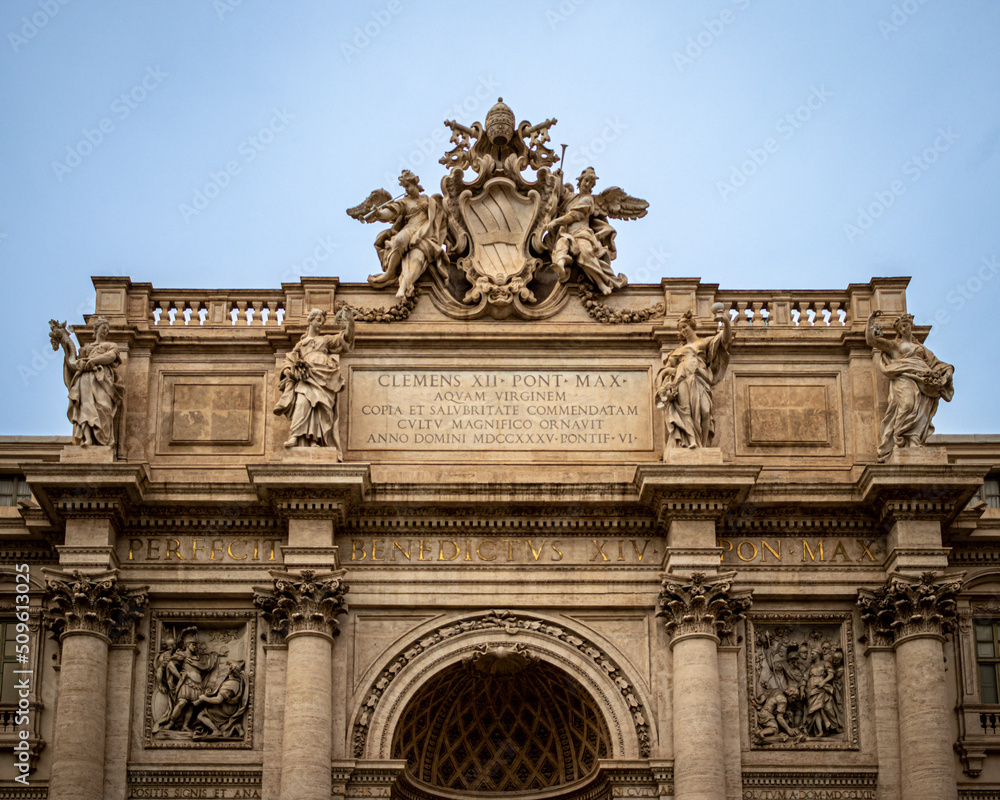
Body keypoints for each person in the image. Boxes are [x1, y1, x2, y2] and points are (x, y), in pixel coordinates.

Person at [866, 311, 954, 461]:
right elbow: (872, 340)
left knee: (920, 411)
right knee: (906, 404)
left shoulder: (920, 348)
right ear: (898, 330)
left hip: (923, 379)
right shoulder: (894, 345)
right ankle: (898, 439)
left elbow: (937, 364)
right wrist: (870, 321)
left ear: (910, 326)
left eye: (906, 325)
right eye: (901, 327)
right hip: (904, 376)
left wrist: (947, 372)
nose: (904, 329)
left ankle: (913, 440)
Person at [273, 307, 355, 454]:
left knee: (321, 407)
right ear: (310, 320)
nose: (320, 324)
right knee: (302, 404)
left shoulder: (325, 340)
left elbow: (346, 338)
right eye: (318, 320)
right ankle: (296, 436)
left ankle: (315, 439)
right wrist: (290, 371)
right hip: (306, 377)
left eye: (322, 322)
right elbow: (288, 361)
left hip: (324, 377)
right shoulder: (300, 344)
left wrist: (349, 322)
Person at [654, 308, 733, 450]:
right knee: (686, 410)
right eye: (680, 329)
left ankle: (702, 445)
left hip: (700, 379)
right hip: (682, 379)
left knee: (705, 411)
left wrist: (725, 321)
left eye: (685, 326)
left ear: (692, 325)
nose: (683, 330)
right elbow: (665, 369)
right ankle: (692, 440)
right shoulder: (677, 352)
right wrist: (670, 371)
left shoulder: (704, 343)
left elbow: (726, 339)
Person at [545, 168, 626, 295]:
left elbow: (573, 216)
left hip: (582, 233)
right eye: (586, 181)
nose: (587, 184)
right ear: (580, 181)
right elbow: (559, 195)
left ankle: (601, 283)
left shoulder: (588, 200)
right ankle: (560, 266)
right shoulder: (571, 198)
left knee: (585, 255)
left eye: (591, 183)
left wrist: (555, 222)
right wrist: (559, 178)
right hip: (566, 233)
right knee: (561, 245)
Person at [368, 170, 447, 298]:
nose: (407, 190)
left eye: (408, 186)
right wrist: (379, 213)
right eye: (405, 187)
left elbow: (438, 218)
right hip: (410, 228)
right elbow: (392, 211)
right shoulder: (404, 202)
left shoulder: (428, 200)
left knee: (416, 257)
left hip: (424, 232)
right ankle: (390, 273)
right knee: (399, 240)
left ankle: (403, 287)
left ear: (415, 184)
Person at [52, 316, 124, 447]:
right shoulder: (86, 349)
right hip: (85, 378)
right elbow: (73, 363)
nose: (106, 330)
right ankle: (88, 439)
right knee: (85, 407)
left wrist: (94, 361)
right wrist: (66, 345)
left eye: (107, 328)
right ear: (96, 329)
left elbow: (111, 356)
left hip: (102, 379)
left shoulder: (111, 345)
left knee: (104, 407)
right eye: (103, 327)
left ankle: (103, 440)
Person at [192, 660, 248, 739]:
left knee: (201, 715)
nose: (225, 670)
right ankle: (235, 727)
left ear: (231, 671)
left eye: (227, 669)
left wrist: (204, 698)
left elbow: (218, 700)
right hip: (231, 708)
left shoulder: (229, 684)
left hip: (225, 709)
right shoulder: (236, 682)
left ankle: (215, 731)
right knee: (218, 723)